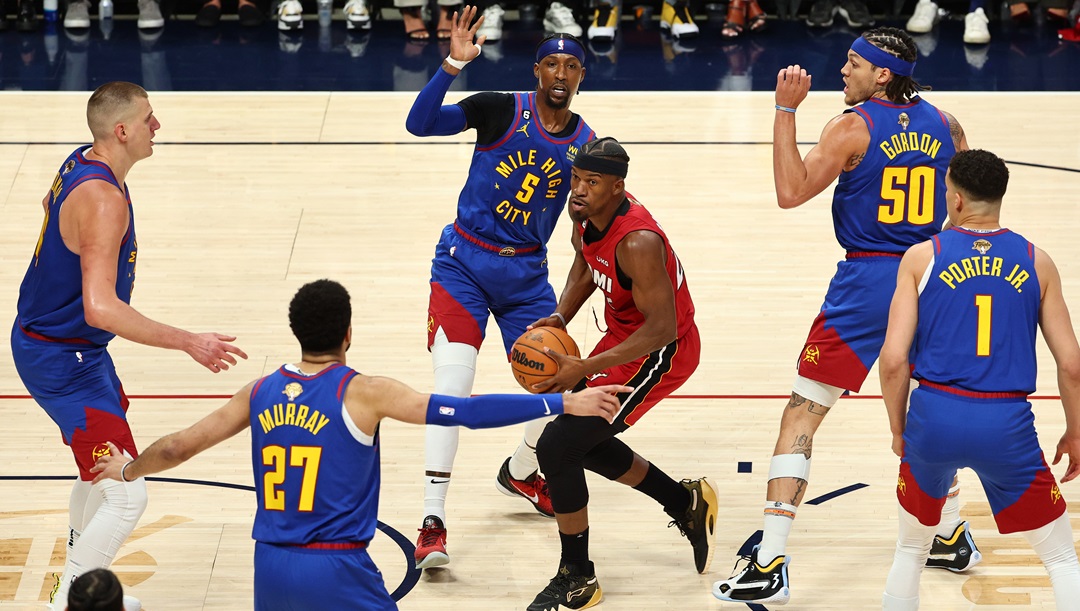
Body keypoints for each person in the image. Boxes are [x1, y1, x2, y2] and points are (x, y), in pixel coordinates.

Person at [90, 279, 627, 611]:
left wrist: (126, 469)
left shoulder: (257, 392)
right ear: (349, 333)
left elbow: (180, 447)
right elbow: (464, 411)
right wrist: (561, 404)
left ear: (297, 332)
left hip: (269, 567)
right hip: (335, 569)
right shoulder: (363, 394)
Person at [712, 28, 974, 606]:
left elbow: (790, 191)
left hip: (868, 282)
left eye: (854, 63)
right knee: (927, 409)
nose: (843, 71)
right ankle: (951, 533)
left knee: (803, 412)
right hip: (933, 273)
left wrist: (784, 112)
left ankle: (770, 560)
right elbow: (963, 207)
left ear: (882, 74)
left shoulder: (851, 126)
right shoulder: (947, 125)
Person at [10, 81, 247, 611]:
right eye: (148, 119)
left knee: (99, 473)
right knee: (127, 488)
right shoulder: (102, 200)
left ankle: (75, 571)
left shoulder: (83, 161)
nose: (156, 126)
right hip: (61, 355)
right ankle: (70, 599)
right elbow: (101, 308)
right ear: (121, 131)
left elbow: (47, 204)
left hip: (70, 347)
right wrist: (191, 341)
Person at [404, 7, 595, 569]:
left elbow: (587, 232)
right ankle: (432, 521)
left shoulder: (586, 146)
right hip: (463, 265)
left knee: (565, 382)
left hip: (526, 276)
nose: (561, 74)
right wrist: (450, 65)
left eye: (571, 66)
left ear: (581, 78)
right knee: (453, 390)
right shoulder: (499, 108)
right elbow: (419, 124)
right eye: (551, 64)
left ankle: (519, 472)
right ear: (537, 72)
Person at [879, 149, 1080, 609]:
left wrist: (898, 428)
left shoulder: (920, 257)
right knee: (1061, 558)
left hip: (934, 415)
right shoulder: (1037, 260)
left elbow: (892, 360)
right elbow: (1071, 364)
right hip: (1005, 421)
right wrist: (1076, 431)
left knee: (911, 549)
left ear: (955, 201)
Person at [521, 137, 716, 610]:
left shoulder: (639, 241)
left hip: (661, 352)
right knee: (577, 443)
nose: (579, 190)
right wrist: (561, 317)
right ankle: (682, 501)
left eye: (592, 182)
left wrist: (584, 367)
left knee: (558, 444)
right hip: (623, 339)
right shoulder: (584, 215)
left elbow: (663, 328)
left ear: (617, 187)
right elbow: (586, 265)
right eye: (576, 179)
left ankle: (577, 575)